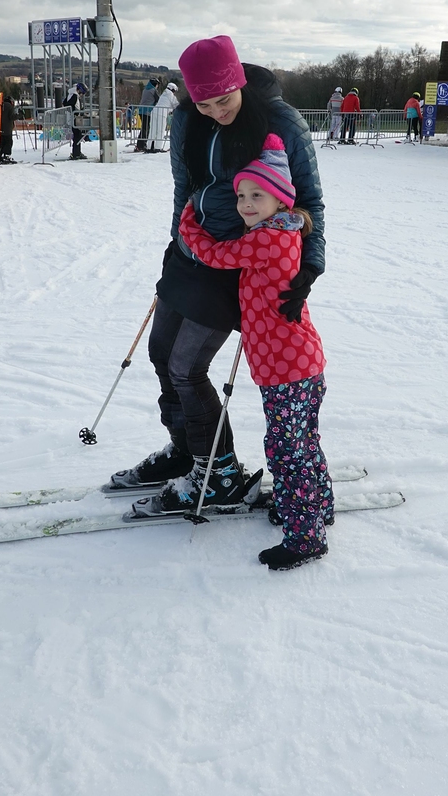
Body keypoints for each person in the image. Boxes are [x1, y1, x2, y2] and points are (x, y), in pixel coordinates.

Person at [108, 35, 326, 513]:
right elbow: (184, 188)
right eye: (203, 101)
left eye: (223, 99)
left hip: (242, 259)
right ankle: (190, 452)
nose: (215, 111)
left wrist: (310, 265)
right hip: (191, 252)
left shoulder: (281, 122)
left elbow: (309, 198)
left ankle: (219, 472)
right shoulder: (188, 118)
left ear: (240, 83)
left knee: (188, 367)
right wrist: (175, 243)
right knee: (161, 355)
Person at [177, 134, 333, 570]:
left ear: (281, 200)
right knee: (303, 442)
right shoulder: (280, 232)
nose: (246, 203)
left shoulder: (267, 241)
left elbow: (212, 253)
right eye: (242, 194)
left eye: (257, 195)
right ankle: (314, 507)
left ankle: (305, 538)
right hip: (299, 363)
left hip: (286, 369)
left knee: (287, 450)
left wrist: (189, 220)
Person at [147, 81, 179, 152]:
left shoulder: (163, 94)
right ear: (173, 90)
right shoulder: (171, 95)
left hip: (154, 112)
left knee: (152, 130)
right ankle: (158, 147)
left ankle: (149, 147)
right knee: (160, 130)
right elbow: (176, 105)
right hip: (161, 114)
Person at [62, 82, 88, 160]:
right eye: (82, 93)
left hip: (72, 117)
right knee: (77, 136)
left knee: (78, 135)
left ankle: (77, 152)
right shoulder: (74, 96)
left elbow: (64, 103)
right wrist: (78, 112)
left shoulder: (71, 94)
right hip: (73, 118)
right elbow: (70, 105)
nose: (82, 95)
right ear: (79, 90)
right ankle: (76, 153)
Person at [135, 77, 160, 152]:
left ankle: (140, 144)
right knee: (146, 128)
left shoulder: (145, 89)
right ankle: (142, 145)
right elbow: (158, 99)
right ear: (155, 84)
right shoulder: (153, 90)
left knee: (144, 128)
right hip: (147, 111)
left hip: (141, 111)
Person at [0, 95, 17, 165]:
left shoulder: (0, 105)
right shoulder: (9, 107)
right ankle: (6, 155)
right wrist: (19, 115)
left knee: (2, 142)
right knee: (8, 142)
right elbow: (12, 117)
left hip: (0, 128)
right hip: (7, 128)